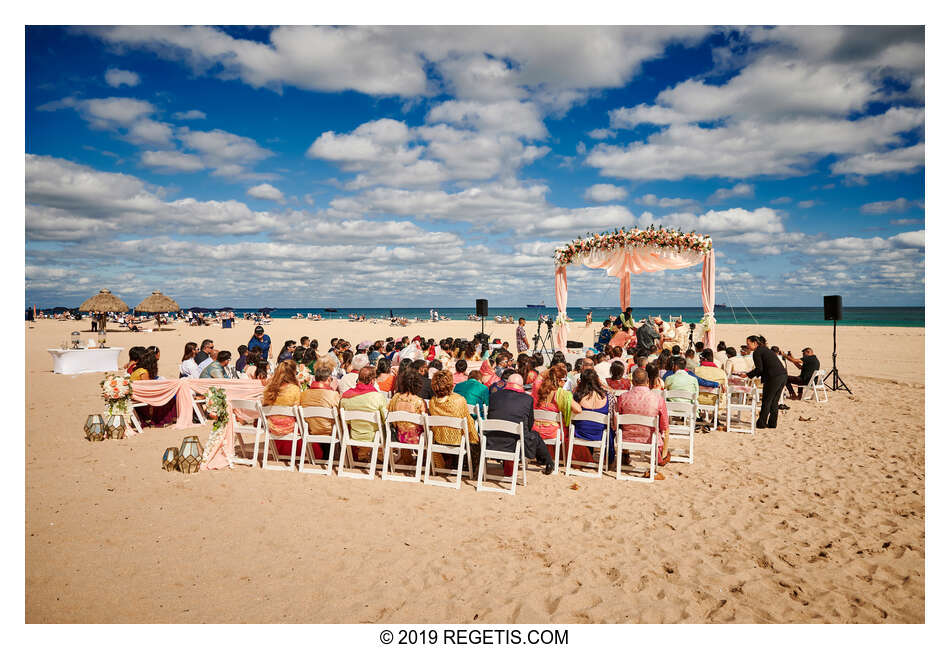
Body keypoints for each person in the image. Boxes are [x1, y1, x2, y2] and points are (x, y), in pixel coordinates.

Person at [486, 373, 556, 474]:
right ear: (521, 385)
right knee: (534, 435)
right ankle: (549, 462)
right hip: (514, 443)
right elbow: (530, 424)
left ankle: (546, 461)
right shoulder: (527, 399)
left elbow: (490, 418)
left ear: (507, 383)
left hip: (492, 441)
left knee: (525, 433)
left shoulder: (494, 396)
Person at [617, 368, 671, 477]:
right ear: (647, 382)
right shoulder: (658, 399)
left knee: (622, 426)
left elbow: (617, 420)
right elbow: (664, 425)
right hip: (649, 438)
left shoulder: (623, 397)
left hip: (626, 438)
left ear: (633, 382)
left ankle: (625, 454)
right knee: (665, 428)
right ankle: (663, 456)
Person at [427, 370, 480, 469]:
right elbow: (468, 423)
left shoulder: (432, 402)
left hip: (439, 439)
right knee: (476, 441)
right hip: (457, 441)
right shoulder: (459, 400)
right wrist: (475, 439)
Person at [340, 367, 389, 461]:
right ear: (372, 381)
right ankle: (380, 456)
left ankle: (362, 455)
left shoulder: (346, 396)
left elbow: (347, 421)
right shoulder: (377, 397)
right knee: (386, 428)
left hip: (354, 435)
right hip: (375, 436)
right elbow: (385, 419)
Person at [739, 335, 787, 429]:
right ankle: (772, 424)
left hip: (774, 377)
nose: (747, 346)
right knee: (774, 401)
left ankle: (761, 423)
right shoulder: (765, 349)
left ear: (755, 343)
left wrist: (747, 375)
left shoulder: (757, 352)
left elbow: (759, 369)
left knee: (767, 400)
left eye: (748, 344)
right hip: (783, 375)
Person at [570, 369, 616, 465]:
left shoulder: (577, 396)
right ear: (597, 380)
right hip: (600, 434)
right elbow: (612, 392)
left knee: (585, 424)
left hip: (580, 433)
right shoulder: (608, 396)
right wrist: (601, 384)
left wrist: (579, 386)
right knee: (610, 429)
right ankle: (607, 460)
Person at [298, 362, 340, 461]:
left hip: (310, 429)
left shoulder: (304, 394)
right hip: (330, 431)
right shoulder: (333, 395)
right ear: (329, 379)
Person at [261, 360, 303, 459]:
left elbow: (265, 405)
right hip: (289, 427)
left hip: (271, 426)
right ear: (292, 372)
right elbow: (298, 410)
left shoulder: (269, 388)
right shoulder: (294, 389)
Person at [387, 370, 428, 465]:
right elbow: (424, 423)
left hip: (399, 436)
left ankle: (408, 460)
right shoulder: (419, 402)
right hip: (416, 439)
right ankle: (422, 461)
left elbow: (389, 413)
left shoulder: (395, 398)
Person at [693, 348, 727, 415]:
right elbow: (724, 388)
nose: (700, 361)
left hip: (698, 399)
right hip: (715, 401)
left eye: (700, 359)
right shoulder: (721, 372)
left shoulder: (696, 370)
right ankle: (716, 417)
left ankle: (698, 415)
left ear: (704, 359)